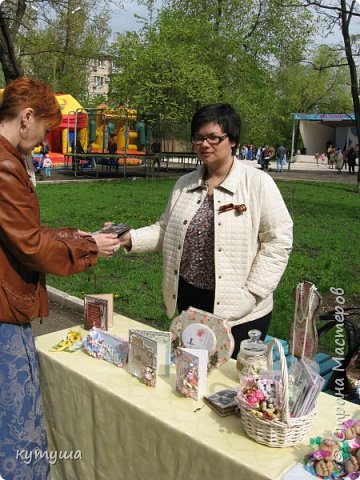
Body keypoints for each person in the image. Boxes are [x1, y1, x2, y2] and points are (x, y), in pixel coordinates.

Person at [0, 77, 121, 479]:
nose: (41, 139)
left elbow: (20, 232)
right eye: (44, 130)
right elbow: (30, 244)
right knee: (17, 426)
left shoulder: (10, 158)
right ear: (26, 117)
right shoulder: (3, 163)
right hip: (3, 312)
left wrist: (76, 236)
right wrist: (88, 248)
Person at [119, 103, 293, 359]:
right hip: (190, 299)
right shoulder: (184, 184)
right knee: (189, 372)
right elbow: (165, 229)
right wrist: (130, 238)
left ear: (232, 140)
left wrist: (253, 291)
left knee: (229, 384)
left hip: (241, 309)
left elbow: (278, 241)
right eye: (199, 138)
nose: (205, 144)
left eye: (213, 137)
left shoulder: (258, 183)